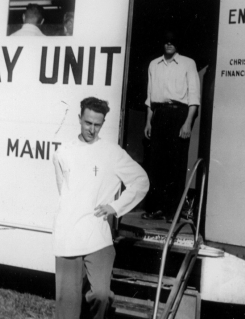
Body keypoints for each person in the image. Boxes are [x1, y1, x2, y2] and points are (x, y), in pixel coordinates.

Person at [53, 97, 149, 319]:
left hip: (98, 235)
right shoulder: (63, 152)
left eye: (97, 124)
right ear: (79, 119)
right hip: (68, 235)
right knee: (67, 306)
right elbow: (64, 194)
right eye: (88, 123)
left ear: (103, 123)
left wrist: (115, 206)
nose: (92, 129)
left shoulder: (112, 152)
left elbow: (141, 181)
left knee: (101, 295)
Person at [142, 31, 200, 223]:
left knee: (176, 164)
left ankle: (172, 212)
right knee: (156, 164)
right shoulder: (153, 64)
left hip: (179, 115)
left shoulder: (188, 63)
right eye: (166, 40)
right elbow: (150, 97)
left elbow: (194, 96)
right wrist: (149, 121)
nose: (169, 44)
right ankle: (156, 208)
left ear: (177, 44)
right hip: (159, 115)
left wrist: (188, 123)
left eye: (173, 41)